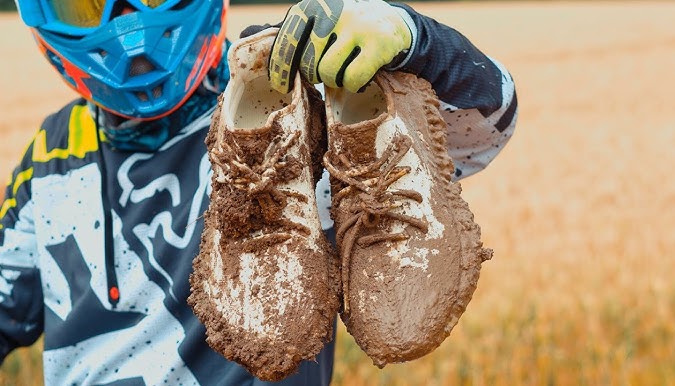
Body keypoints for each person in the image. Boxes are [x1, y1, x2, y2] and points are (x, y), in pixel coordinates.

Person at [0, 0, 517, 384]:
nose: (128, 23)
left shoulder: (302, 110)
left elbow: (485, 125)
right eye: (85, 6)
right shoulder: (52, 151)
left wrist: (413, 39)